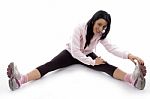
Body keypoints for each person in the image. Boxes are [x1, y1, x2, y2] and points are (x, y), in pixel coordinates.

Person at [7, 10, 147, 91]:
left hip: (86, 55)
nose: (100, 29)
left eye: (104, 27)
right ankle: (20, 80)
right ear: (93, 20)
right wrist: (92, 62)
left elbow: (112, 48)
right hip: (70, 54)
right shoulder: (79, 28)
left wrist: (129, 56)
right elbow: (75, 52)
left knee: (106, 66)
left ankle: (132, 79)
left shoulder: (100, 35)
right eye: (99, 24)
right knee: (49, 66)